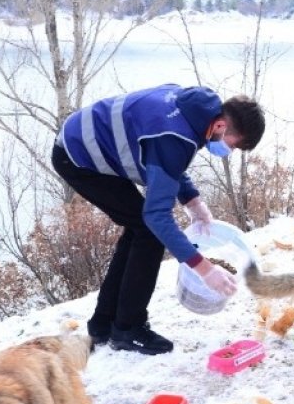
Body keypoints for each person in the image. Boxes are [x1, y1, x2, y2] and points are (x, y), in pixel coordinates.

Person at [51, 84, 266, 355]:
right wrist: (204, 268)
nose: (230, 151)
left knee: (138, 229)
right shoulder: (176, 135)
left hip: (80, 138)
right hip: (78, 157)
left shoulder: (197, 109)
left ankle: (104, 324)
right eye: (233, 146)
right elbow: (158, 210)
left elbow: (166, 161)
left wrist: (192, 200)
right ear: (222, 126)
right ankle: (128, 329)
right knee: (148, 231)